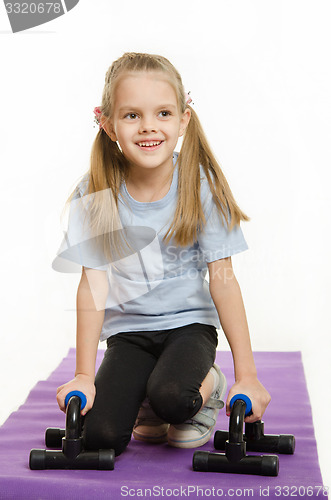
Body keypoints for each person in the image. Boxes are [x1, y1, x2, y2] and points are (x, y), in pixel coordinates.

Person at [55, 52, 271, 456]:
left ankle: (209, 386)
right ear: (108, 123)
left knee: (174, 398)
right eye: (132, 115)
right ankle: (146, 399)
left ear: (183, 119)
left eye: (163, 113)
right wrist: (85, 374)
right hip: (129, 334)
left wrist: (248, 375)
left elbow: (223, 280)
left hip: (188, 326)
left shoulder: (199, 184)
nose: (149, 126)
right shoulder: (96, 192)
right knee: (101, 436)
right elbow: (93, 285)